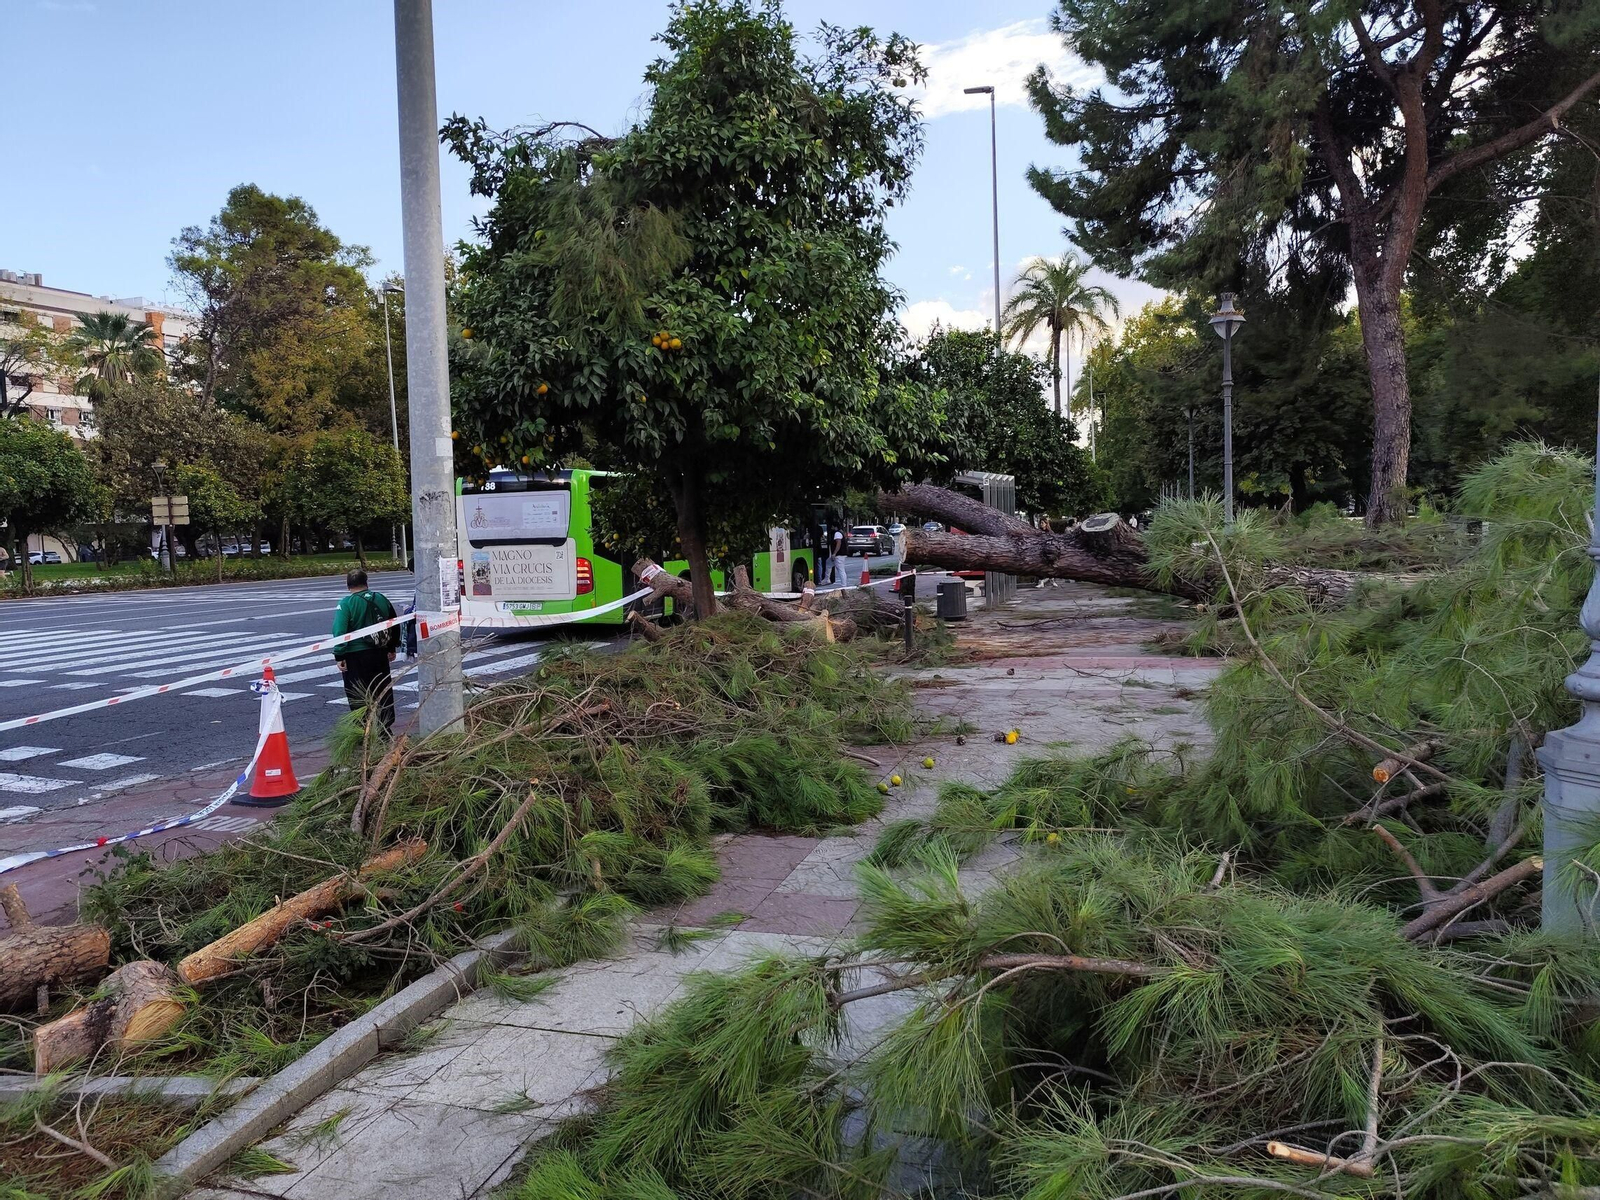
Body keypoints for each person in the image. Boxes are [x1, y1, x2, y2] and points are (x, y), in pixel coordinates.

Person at [333, 568, 399, 734]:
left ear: (348, 585)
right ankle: (384, 728)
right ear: (366, 582)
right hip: (379, 654)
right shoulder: (381, 598)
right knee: (382, 690)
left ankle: (364, 731)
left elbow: (340, 631)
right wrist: (391, 647)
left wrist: (339, 654)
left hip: (356, 656)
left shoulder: (346, 603)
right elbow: (394, 623)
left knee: (359, 695)